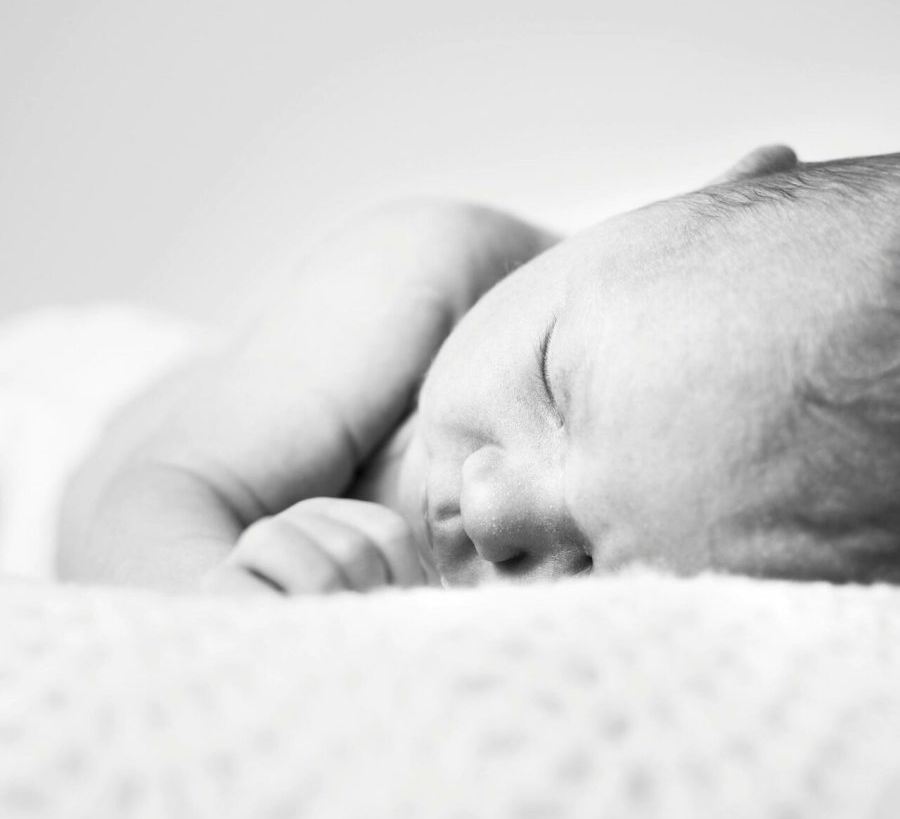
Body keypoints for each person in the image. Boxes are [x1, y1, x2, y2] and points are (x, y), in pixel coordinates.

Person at [59, 144, 900, 595]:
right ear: (696, 196)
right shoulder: (421, 269)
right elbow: (149, 496)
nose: (494, 512)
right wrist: (226, 603)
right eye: (552, 384)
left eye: (593, 569)